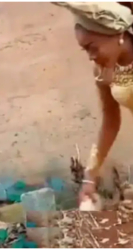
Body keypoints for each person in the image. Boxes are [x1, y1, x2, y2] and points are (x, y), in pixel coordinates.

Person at [53, 2, 133, 204]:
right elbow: (110, 122)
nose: (91, 56)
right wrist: (90, 176)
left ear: (117, 35)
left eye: (92, 47)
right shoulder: (102, 71)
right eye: (85, 50)